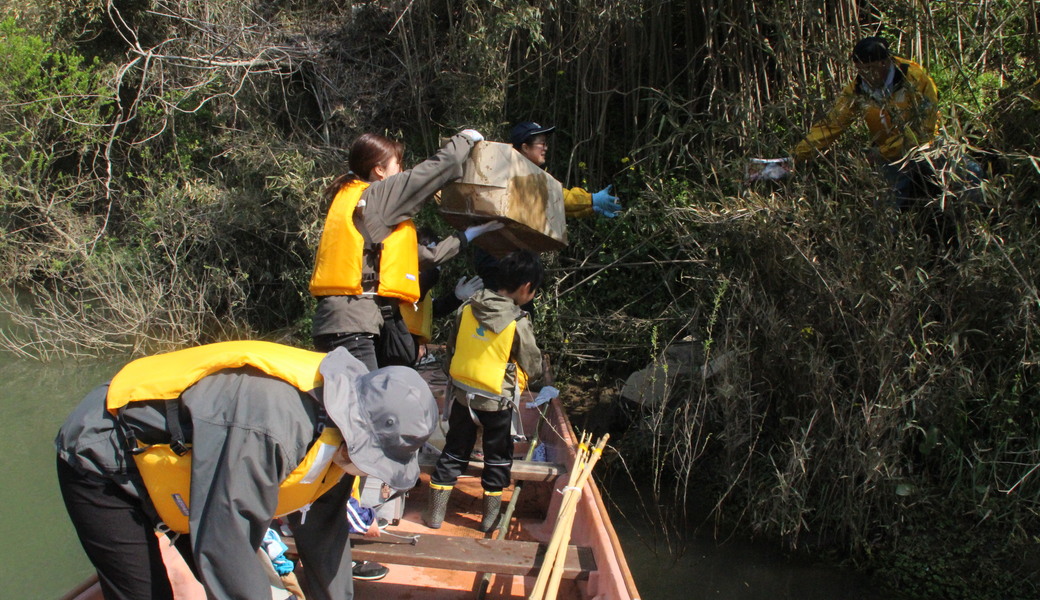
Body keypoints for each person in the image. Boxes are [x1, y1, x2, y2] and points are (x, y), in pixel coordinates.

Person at [55, 341, 437, 600]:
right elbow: (225, 544)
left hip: (196, 474)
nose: (371, 469)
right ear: (357, 430)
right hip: (106, 461)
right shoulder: (272, 428)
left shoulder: (341, 430)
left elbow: (324, 534)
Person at [309, 129, 501, 371]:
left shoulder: (356, 202)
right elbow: (431, 173)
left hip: (344, 321)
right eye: (398, 165)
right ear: (379, 170)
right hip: (351, 324)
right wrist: (464, 139)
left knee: (360, 399)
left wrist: (468, 235)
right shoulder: (377, 194)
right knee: (360, 403)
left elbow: (424, 257)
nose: (401, 173)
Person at [424, 250, 544, 533]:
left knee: (454, 451)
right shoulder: (518, 321)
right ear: (526, 288)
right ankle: (489, 520)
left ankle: (434, 515)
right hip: (496, 405)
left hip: (463, 397)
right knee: (498, 457)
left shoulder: (466, 308)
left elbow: (450, 350)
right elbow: (532, 363)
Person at [790, 36, 942, 206]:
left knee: (971, 177)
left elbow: (924, 129)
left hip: (926, 147)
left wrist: (882, 152)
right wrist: (797, 155)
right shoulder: (858, 89)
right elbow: (832, 125)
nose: (865, 75)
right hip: (888, 156)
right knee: (884, 207)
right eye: (860, 70)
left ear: (884, 62)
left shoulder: (915, 80)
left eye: (870, 68)